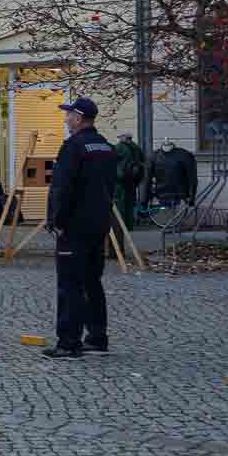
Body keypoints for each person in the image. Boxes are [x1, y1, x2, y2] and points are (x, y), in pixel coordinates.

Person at [43, 97, 119, 361]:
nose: (66, 120)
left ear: (78, 117)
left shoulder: (73, 147)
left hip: (74, 226)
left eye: (68, 116)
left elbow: (62, 188)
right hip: (99, 224)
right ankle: (97, 337)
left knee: (70, 285)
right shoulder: (107, 147)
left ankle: (68, 343)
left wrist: (56, 221)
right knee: (92, 282)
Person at [113, 134, 146, 228]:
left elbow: (113, 162)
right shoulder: (136, 148)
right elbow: (142, 162)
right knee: (130, 203)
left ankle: (122, 226)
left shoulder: (119, 147)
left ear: (123, 138)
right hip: (132, 180)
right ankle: (130, 224)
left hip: (121, 180)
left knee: (120, 203)